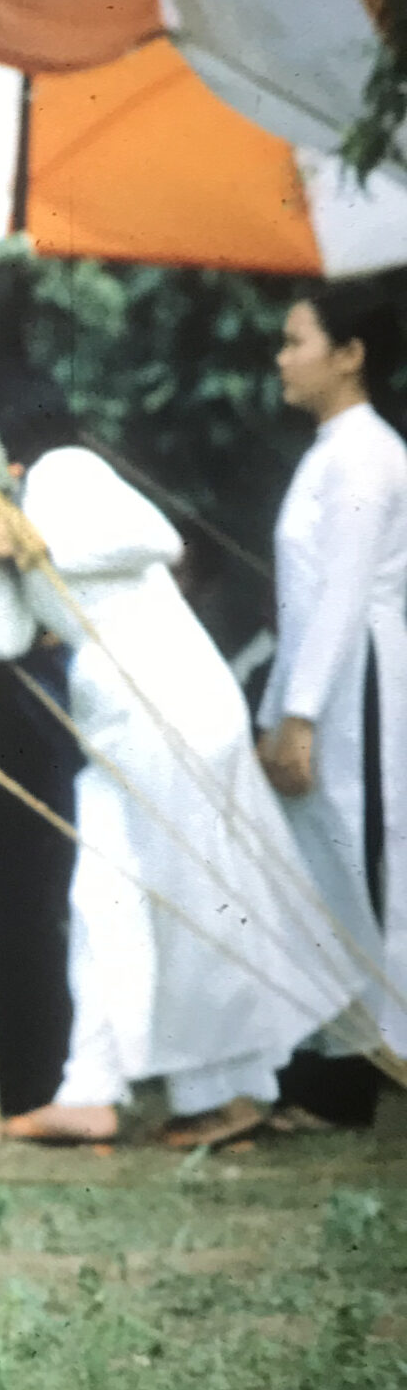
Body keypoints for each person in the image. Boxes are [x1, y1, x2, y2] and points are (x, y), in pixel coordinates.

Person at [0, 384, 366, 1148]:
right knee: (102, 895)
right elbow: (11, 638)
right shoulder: (10, 503)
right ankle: (92, 1089)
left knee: (201, 894)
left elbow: (158, 537)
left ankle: (233, 1091)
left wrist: (45, 544)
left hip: (171, 705)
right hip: (117, 727)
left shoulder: (67, 472)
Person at [259, 285, 407, 1127]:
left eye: (296, 341)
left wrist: (304, 712)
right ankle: (331, 1056)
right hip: (321, 675)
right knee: (322, 868)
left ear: (350, 355)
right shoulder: (329, 450)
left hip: (360, 677)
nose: (282, 358)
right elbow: (303, 601)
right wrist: (278, 711)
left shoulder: (367, 454)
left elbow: (346, 594)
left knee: (359, 857)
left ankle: (358, 1070)